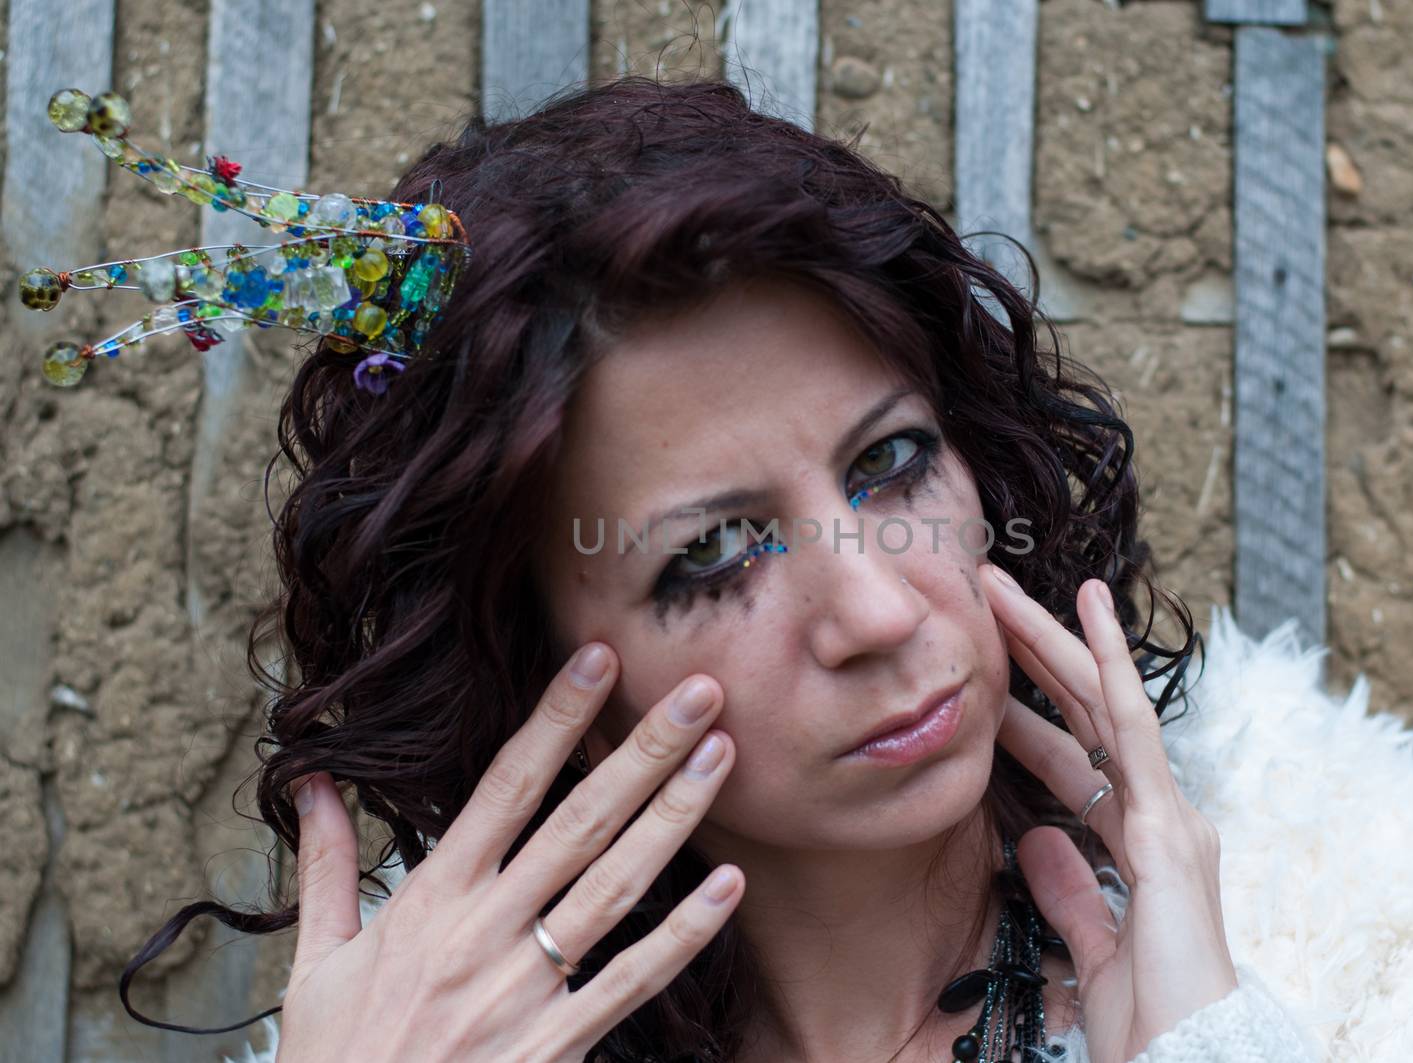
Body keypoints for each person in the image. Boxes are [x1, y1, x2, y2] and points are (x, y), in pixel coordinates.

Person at [118, 75, 1328, 1062]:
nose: (874, 605)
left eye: (893, 461)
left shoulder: (1364, 926)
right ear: (540, 667)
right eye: (710, 553)